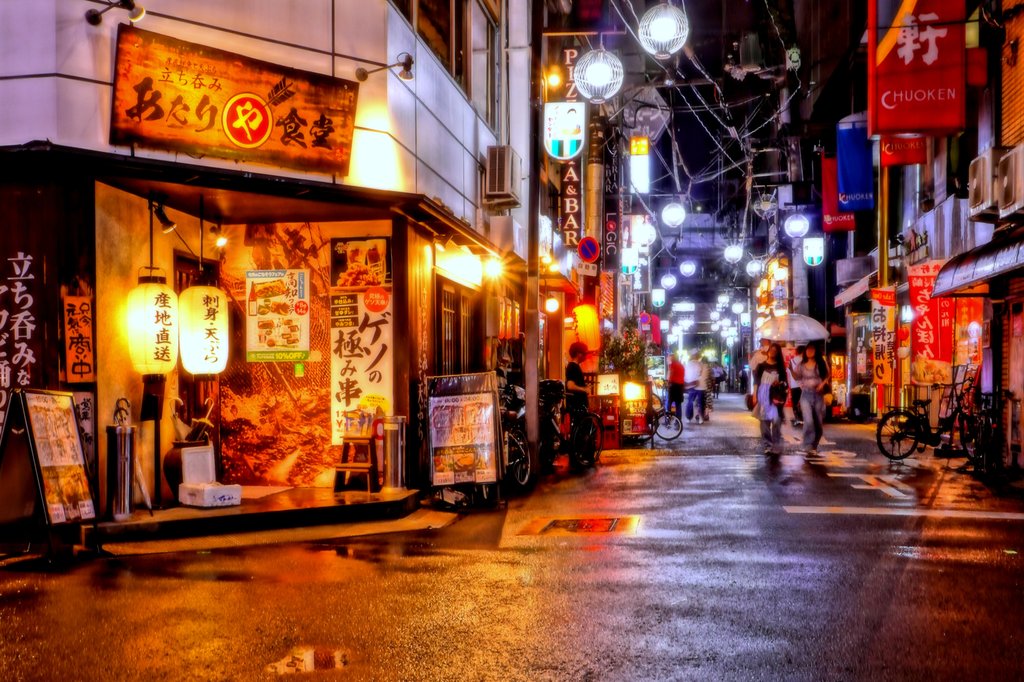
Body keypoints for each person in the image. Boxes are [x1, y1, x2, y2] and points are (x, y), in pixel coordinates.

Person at [792, 342, 830, 455]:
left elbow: (827, 375)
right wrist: (790, 369)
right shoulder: (802, 365)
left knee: (818, 421)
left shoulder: (821, 363)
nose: (809, 351)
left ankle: (814, 444)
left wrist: (822, 384)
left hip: (818, 395)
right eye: (808, 349)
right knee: (808, 420)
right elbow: (797, 376)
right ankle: (807, 444)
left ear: (816, 351)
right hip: (805, 395)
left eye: (812, 349)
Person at [752, 342, 787, 455]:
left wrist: (780, 382)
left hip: (775, 396)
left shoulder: (780, 367)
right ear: (768, 351)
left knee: (776, 420)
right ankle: (767, 444)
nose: (773, 352)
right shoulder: (761, 366)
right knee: (764, 421)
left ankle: (776, 443)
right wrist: (754, 395)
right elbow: (756, 381)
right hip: (763, 395)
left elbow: (785, 382)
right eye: (771, 350)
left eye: (775, 351)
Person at [565, 341, 590, 414]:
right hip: (577, 406)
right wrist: (584, 389)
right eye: (584, 353)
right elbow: (570, 386)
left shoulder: (575, 366)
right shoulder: (572, 367)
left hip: (579, 406)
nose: (585, 355)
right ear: (578, 353)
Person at [684, 351, 706, 424]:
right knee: (700, 402)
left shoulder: (688, 364)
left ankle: (689, 417)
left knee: (690, 401)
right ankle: (700, 417)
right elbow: (702, 374)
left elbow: (686, 375)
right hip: (700, 385)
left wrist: (687, 382)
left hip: (692, 385)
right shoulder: (701, 364)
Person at [788, 345, 805, 427]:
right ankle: (804, 418)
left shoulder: (791, 361)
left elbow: (788, 371)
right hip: (803, 385)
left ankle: (797, 418)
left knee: (795, 402)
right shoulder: (805, 361)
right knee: (804, 402)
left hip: (794, 385)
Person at [668, 353, 686, 419]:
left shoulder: (673, 364)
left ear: (673, 358)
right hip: (680, 386)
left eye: (671, 357)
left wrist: (668, 382)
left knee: (669, 402)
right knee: (678, 404)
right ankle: (678, 420)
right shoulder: (681, 365)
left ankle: (669, 418)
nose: (670, 359)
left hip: (674, 386)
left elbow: (671, 374)